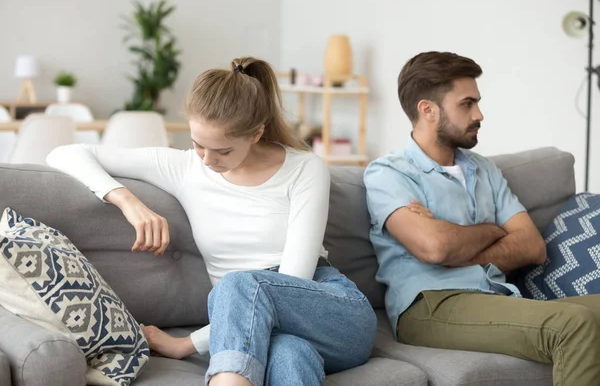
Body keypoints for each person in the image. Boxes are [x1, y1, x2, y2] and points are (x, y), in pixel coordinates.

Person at [47, 57, 377, 386]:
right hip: (257, 331)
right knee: (289, 356)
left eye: (222, 151)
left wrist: (186, 344)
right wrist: (127, 201)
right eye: (198, 144)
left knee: (240, 284)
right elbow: (64, 153)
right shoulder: (185, 167)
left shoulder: (305, 169)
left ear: (257, 133)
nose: (207, 159)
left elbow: (294, 279)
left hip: (330, 312)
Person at [363, 51, 600, 386]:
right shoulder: (388, 174)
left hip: (495, 297)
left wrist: (458, 245)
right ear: (428, 110)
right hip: (431, 304)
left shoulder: (483, 169)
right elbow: (435, 248)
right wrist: (496, 231)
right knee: (573, 324)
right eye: (467, 104)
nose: (479, 114)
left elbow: (532, 246)